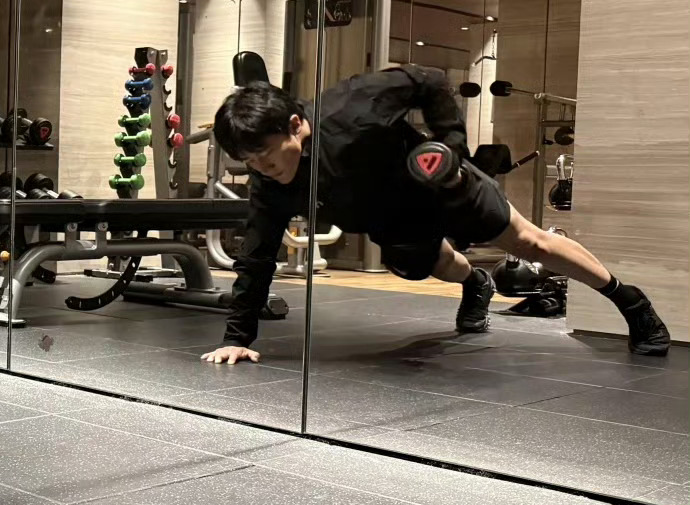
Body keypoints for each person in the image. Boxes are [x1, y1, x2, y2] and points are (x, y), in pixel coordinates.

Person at [200, 67, 670, 366]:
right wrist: (238, 337)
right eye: (250, 162)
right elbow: (257, 257)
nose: (260, 168)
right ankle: (476, 284)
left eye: (265, 155)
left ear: (295, 125)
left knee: (530, 243)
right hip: (393, 223)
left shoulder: (350, 110)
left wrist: (452, 148)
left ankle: (631, 302)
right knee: (436, 265)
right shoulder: (270, 185)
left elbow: (427, 79)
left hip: (439, 184)